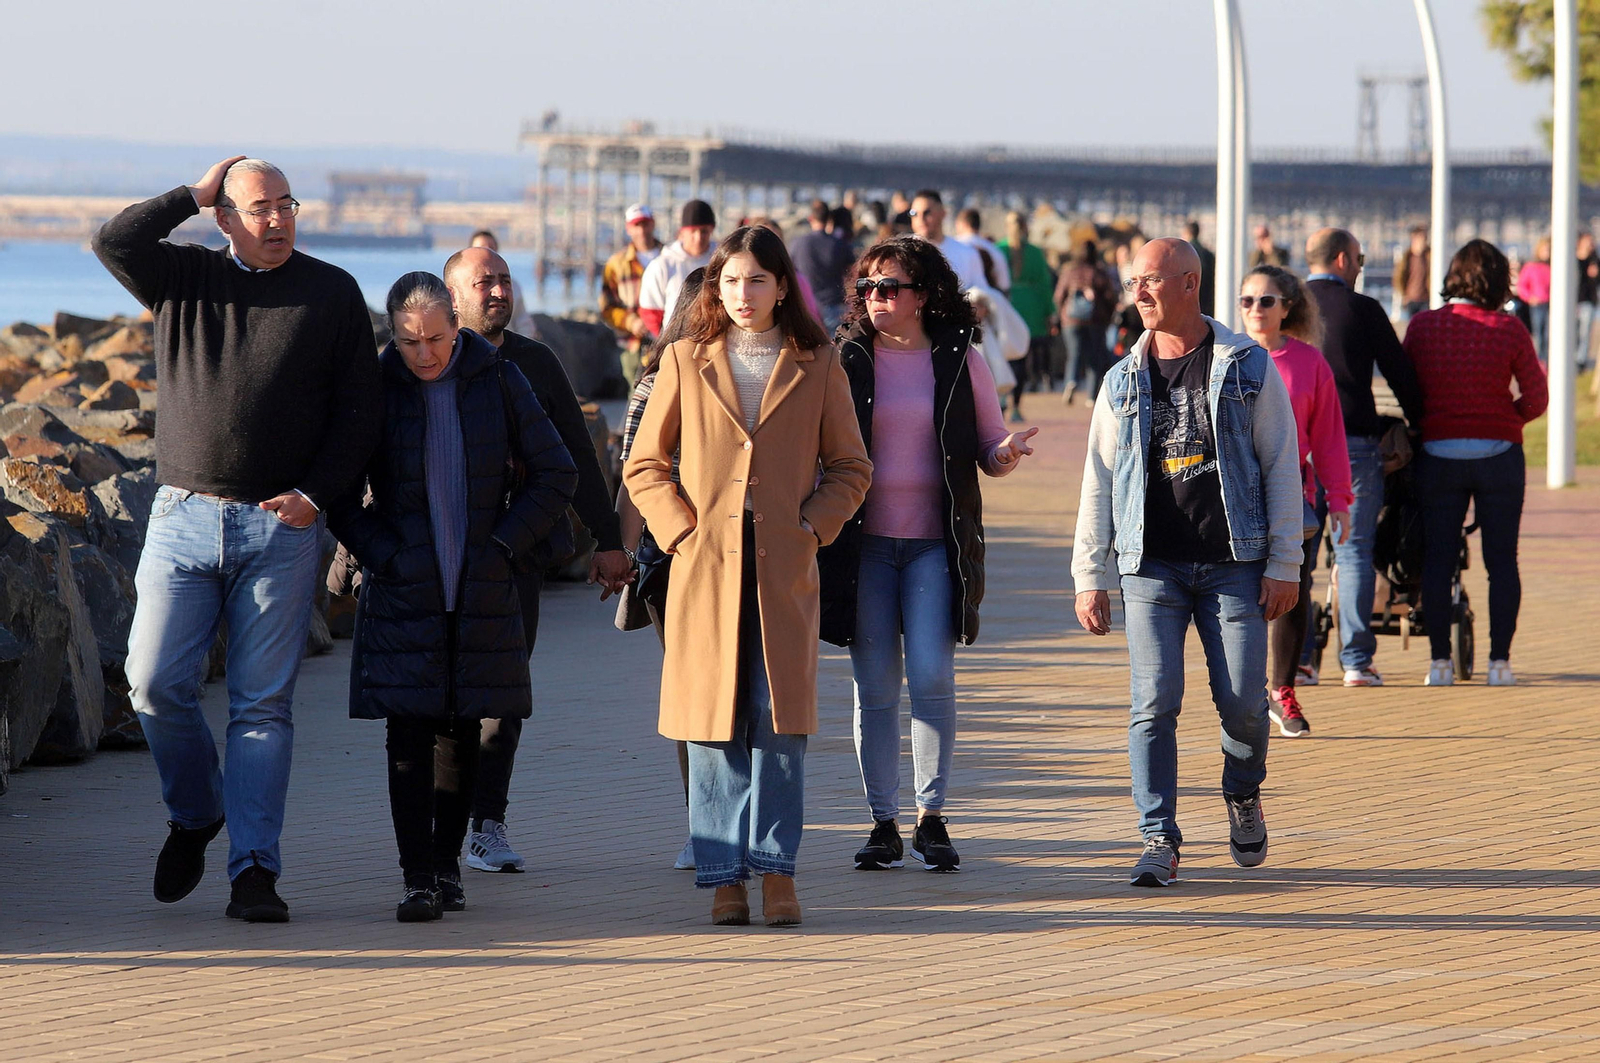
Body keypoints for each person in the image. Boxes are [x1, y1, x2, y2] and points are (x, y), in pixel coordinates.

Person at [92, 156, 382, 921]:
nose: (279, 219)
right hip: (182, 516)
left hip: (279, 529)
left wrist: (316, 497)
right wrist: (187, 192)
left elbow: (361, 412)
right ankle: (196, 813)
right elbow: (113, 241)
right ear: (223, 218)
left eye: (287, 204)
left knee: (262, 708)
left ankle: (254, 870)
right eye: (260, 207)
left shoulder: (332, 293)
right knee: (152, 680)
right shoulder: (181, 279)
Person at [624, 226, 871, 927]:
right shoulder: (683, 359)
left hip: (783, 570)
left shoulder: (818, 362)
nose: (742, 294)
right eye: (729, 281)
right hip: (704, 569)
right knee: (711, 724)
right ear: (715, 287)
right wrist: (679, 529)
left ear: (783, 286)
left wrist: (810, 527)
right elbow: (644, 464)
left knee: (778, 723)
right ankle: (722, 873)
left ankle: (776, 871)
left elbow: (852, 466)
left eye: (757, 280)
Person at [329, 272, 577, 921]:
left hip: (479, 583)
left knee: (464, 727)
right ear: (394, 334)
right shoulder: (375, 387)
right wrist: (385, 553)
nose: (426, 353)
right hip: (405, 584)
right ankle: (417, 877)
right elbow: (336, 490)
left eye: (436, 337)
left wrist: (502, 546)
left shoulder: (497, 378)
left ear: (456, 325)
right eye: (410, 341)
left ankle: (446, 866)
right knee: (407, 732)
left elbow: (557, 472)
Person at [1071, 238, 1302, 888]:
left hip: (1233, 561)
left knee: (1244, 707)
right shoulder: (1121, 379)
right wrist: (1090, 574)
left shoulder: (1247, 366)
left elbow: (1281, 464)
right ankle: (1158, 837)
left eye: (1150, 281)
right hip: (1152, 566)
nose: (1137, 293)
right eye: (1134, 282)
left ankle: (1242, 790)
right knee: (1153, 701)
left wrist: (1285, 560)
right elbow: (1097, 478)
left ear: (1189, 282)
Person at [820, 235, 1035, 874]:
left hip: (934, 545)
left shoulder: (958, 359)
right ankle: (881, 822)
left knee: (934, 677)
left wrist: (1006, 454)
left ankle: (931, 818)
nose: (876, 299)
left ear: (923, 295)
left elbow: (989, 444)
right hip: (864, 545)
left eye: (889, 288)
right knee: (876, 685)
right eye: (867, 288)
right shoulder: (845, 359)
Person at [442, 246, 633, 873]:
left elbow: (575, 453)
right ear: (451, 296)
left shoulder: (534, 361)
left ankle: (487, 825)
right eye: (482, 282)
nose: (498, 291)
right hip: (438, 557)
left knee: (505, 692)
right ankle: (438, 829)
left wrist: (608, 541)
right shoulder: (425, 362)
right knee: (442, 697)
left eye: (504, 280)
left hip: (515, 556)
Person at [1402, 240, 1548, 688]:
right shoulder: (1510, 329)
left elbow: (1409, 390)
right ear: (1499, 279)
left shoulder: (1423, 326)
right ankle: (1499, 663)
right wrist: (1505, 420)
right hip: (1498, 455)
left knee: (1439, 559)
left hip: (1438, 454)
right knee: (1502, 561)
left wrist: (1431, 422)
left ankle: (1440, 663)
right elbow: (1537, 397)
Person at [613, 269, 709, 872]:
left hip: (750, 554)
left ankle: (742, 820)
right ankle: (704, 824)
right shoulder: (656, 382)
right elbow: (633, 472)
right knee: (694, 691)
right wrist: (618, 555)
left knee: (750, 691)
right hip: (669, 559)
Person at [1305, 227, 1425, 688]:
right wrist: (1417, 423)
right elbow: (1400, 375)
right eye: (1358, 258)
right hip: (1353, 441)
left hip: (1296, 449)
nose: (1360, 266)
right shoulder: (1364, 309)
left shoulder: (1288, 306)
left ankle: (1298, 660)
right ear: (1340, 259)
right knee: (1354, 550)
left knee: (1299, 552)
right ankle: (1355, 661)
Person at [1238, 266, 1352, 737]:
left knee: (1294, 589)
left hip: (1294, 496)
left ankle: (1282, 688)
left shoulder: (1309, 363)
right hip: (1232, 497)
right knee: (1236, 595)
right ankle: (1243, 692)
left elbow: (1328, 438)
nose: (1256, 310)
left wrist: (1341, 499)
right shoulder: (1227, 357)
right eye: (1247, 301)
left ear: (1287, 307)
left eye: (1267, 301)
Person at [600, 203, 664, 386]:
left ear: (653, 224)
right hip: (634, 345)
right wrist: (631, 322)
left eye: (645, 223)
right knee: (636, 398)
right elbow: (607, 308)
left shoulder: (670, 258)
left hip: (667, 340)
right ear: (628, 229)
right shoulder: (616, 264)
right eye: (637, 225)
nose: (642, 230)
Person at [998, 211, 1057, 401]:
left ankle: (1001, 398)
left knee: (1005, 355)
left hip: (1006, 306)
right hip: (1032, 308)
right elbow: (1044, 286)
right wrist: (1050, 312)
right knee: (1023, 357)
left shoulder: (998, 250)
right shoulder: (1035, 252)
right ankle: (1016, 403)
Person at [638, 199, 717, 337]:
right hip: (675, 343)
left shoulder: (721, 261)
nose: (698, 238)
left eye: (704, 231)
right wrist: (666, 342)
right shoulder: (663, 265)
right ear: (682, 232)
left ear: (711, 230)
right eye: (693, 231)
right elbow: (650, 311)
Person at [1056, 241, 1118, 405]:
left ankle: (1071, 381)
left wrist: (1062, 314)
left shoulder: (1069, 271)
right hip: (1095, 320)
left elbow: (1059, 296)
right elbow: (1110, 297)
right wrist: (1107, 316)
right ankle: (1091, 395)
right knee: (1094, 358)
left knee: (1074, 354)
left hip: (1071, 320)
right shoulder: (1099, 272)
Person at [790, 199, 855, 333]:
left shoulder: (797, 244)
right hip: (834, 305)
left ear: (810, 218)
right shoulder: (840, 244)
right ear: (829, 219)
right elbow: (852, 273)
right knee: (836, 349)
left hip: (806, 305)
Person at [909, 190, 987, 293]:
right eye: (914, 213)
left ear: (943, 213)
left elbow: (982, 295)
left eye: (927, 212)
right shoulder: (902, 254)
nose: (921, 219)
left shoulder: (967, 253)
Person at [468, 230, 534, 336]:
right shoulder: (463, 285)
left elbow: (523, 321)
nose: (487, 251)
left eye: (491, 248)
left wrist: (522, 348)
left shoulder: (512, 286)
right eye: (481, 248)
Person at [953, 208, 1011, 292]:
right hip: (988, 299)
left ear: (963, 224)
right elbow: (1004, 284)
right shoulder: (994, 250)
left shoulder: (953, 247)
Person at [1516, 237, 1553, 364]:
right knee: (1539, 333)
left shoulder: (1552, 266)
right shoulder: (1531, 266)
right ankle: (1539, 360)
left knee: (1549, 332)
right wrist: (1530, 298)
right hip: (1537, 304)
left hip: (1551, 304)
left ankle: (1547, 359)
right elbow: (1522, 286)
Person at [1394, 225, 1431, 322]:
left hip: (1426, 298)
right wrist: (1404, 294)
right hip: (1411, 298)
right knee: (1413, 324)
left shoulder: (1429, 256)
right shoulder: (1407, 257)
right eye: (1422, 238)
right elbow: (1399, 277)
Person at [1576, 231, 1597, 373]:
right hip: (1573, 302)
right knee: (1574, 332)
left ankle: (1580, 361)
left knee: (1584, 332)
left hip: (1588, 301)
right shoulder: (1572, 259)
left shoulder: (1595, 260)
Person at [1185, 220, 1216, 318]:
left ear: (1187, 232)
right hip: (1208, 300)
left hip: (1192, 299)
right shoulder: (1208, 254)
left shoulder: (1184, 254)